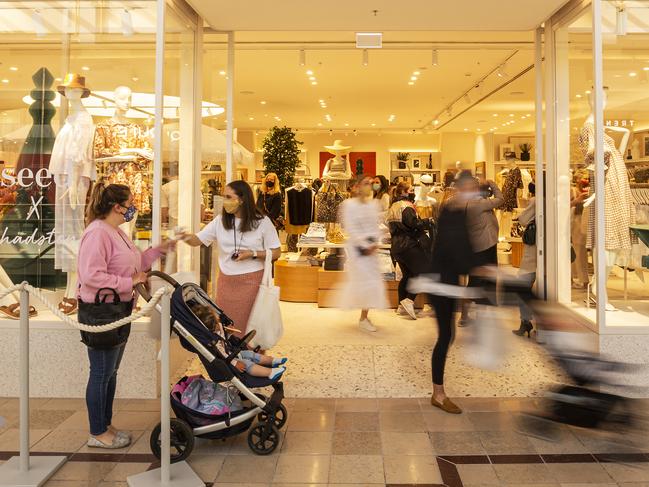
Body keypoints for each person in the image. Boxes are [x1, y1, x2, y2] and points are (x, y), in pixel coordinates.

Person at [78, 182, 173, 449]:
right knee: (100, 373)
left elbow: (136, 263)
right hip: (101, 313)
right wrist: (129, 282)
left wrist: (162, 249)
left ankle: (105, 424)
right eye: (131, 202)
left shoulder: (116, 232)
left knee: (111, 372)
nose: (135, 206)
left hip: (118, 311)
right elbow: (91, 276)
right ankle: (97, 432)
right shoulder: (97, 233)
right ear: (117, 207)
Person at [181, 180, 281, 338]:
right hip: (226, 283)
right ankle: (231, 361)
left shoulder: (262, 222)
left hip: (252, 283)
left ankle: (253, 360)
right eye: (224, 197)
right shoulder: (220, 221)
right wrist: (184, 236)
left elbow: (276, 252)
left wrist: (252, 253)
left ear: (242, 199)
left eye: (228, 197)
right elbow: (197, 241)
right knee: (226, 327)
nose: (225, 201)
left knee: (250, 328)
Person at [427, 177, 477, 414]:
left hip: (448, 282)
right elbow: (452, 250)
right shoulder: (450, 212)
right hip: (441, 284)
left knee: (448, 335)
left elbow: (461, 250)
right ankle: (438, 393)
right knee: (446, 335)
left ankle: (438, 390)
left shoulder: (457, 213)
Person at [339, 176, 389, 332]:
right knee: (363, 283)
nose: (370, 186)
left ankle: (364, 316)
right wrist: (364, 245)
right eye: (366, 183)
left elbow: (375, 226)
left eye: (371, 183)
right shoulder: (348, 205)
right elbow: (351, 228)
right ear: (357, 187)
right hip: (358, 251)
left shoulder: (373, 204)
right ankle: (363, 318)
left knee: (373, 283)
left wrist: (375, 242)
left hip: (371, 250)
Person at [458, 172, 504, 326]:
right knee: (481, 282)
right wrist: (492, 183)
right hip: (485, 247)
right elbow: (501, 199)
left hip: (479, 246)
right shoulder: (478, 203)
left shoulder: (469, 202)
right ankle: (467, 316)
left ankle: (472, 316)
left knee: (478, 281)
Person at [387, 181, 434, 320]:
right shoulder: (406, 206)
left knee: (407, 275)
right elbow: (413, 223)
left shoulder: (393, 206)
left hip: (397, 247)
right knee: (424, 273)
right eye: (411, 189)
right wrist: (428, 221)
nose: (413, 191)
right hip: (409, 246)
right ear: (403, 192)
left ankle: (401, 307)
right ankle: (409, 300)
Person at [513, 182, 537, 337]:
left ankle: (525, 321)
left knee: (522, 286)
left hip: (534, 251)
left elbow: (522, 219)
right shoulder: (555, 200)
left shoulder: (536, 201)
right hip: (547, 252)